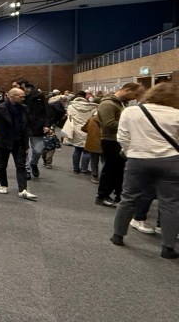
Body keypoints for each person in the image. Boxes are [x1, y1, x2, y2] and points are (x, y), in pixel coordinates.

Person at [109, 81, 179, 258]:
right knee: (170, 202)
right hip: (170, 161)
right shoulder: (176, 114)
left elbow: (122, 137)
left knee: (128, 198)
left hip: (138, 159)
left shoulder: (131, 112)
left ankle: (118, 235)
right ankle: (168, 247)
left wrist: (130, 153)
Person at [96, 82, 145, 208]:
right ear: (127, 90)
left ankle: (119, 195)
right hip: (110, 140)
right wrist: (131, 123)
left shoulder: (121, 103)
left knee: (119, 170)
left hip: (119, 140)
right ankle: (102, 196)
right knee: (111, 170)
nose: (135, 98)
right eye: (135, 95)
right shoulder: (108, 104)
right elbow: (108, 124)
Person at [0, 88, 38, 200]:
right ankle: (3, 185)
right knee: (2, 164)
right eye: (21, 96)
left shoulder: (24, 108)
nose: (23, 98)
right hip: (3, 141)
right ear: (11, 96)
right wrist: (0, 133)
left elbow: (29, 123)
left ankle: (23, 189)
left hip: (20, 142)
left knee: (21, 165)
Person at [64, 91, 98, 175]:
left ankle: (76, 169)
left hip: (75, 130)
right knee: (87, 151)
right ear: (85, 97)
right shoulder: (92, 107)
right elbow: (94, 118)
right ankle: (84, 170)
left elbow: (69, 117)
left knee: (77, 149)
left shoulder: (71, 106)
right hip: (87, 130)